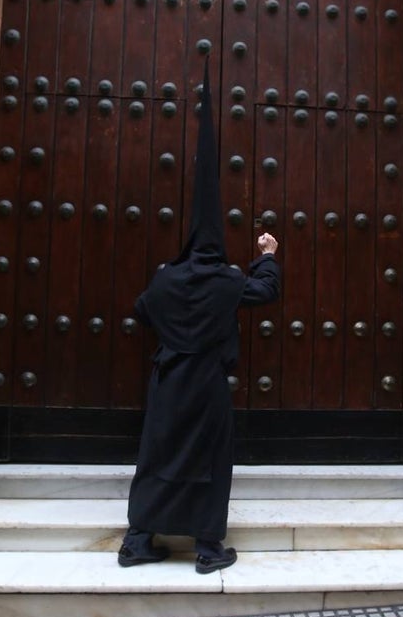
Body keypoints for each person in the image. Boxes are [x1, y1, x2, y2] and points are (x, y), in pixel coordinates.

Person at [118, 62, 281, 574]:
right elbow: (266, 290)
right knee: (211, 460)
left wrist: (172, 319)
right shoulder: (228, 281)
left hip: (169, 379)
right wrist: (268, 254)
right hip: (207, 381)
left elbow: (141, 310)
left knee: (157, 454)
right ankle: (209, 549)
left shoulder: (166, 279)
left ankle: (138, 541)